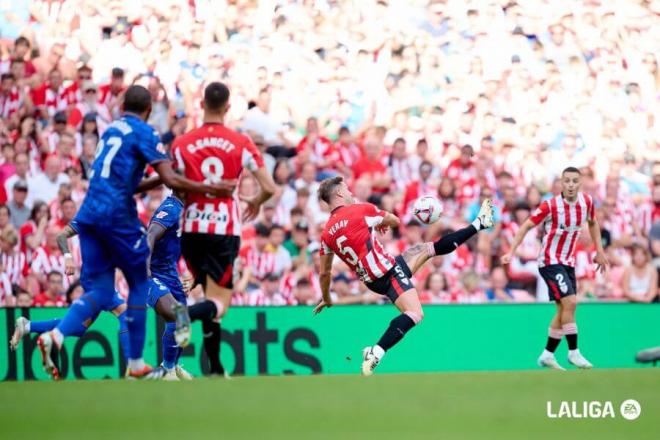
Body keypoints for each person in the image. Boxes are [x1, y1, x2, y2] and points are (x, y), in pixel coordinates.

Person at [33, 85, 235, 380]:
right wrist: (208, 188)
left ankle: (57, 336)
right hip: (116, 214)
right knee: (139, 280)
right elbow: (167, 178)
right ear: (149, 110)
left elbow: (136, 183)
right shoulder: (144, 133)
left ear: (122, 104)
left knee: (101, 291)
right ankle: (139, 361)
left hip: (90, 210)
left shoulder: (110, 130)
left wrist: (157, 180)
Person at [313, 176, 494, 375]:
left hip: (373, 277)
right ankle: (376, 352)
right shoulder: (360, 210)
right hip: (387, 272)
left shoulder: (326, 233)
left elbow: (324, 273)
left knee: (428, 249)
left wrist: (327, 297)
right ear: (339, 193)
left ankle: (480, 223)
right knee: (415, 314)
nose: (350, 193)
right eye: (346, 189)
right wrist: (381, 222)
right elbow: (394, 220)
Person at [172, 82, 278, 376]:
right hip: (223, 230)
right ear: (228, 107)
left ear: (202, 105)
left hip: (191, 229)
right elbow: (269, 187)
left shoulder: (181, 143)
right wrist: (256, 200)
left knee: (209, 297)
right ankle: (186, 314)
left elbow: (175, 186)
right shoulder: (241, 142)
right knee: (220, 303)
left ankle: (215, 368)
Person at [501, 167, 610, 370]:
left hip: (568, 262)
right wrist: (512, 251)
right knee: (571, 302)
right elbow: (526, 226)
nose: (570, 185)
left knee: (563, 309)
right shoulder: (550, 206)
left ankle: (547, 354)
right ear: (561, 183)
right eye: (566, 181)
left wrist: (600, 251)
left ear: (580, 183)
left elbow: (593, 224)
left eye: (574, 181)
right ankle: (573, 352)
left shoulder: (586, 202)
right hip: (549, 261)